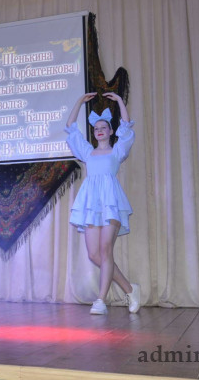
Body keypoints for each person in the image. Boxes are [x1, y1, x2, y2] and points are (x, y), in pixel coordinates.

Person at [65, 91, 141, 315]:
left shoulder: (117, 151)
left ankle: (100, 300)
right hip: (92, 205)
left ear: (110, 131)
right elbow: (70, 127)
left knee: (106, 250)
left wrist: (119, 101)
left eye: (103, 127)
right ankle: (130, 289)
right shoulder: (88, 153)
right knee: (94, 254)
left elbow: (126, 125)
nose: (99, 130)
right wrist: (79, 101)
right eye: (96, 128)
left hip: (111, 204)